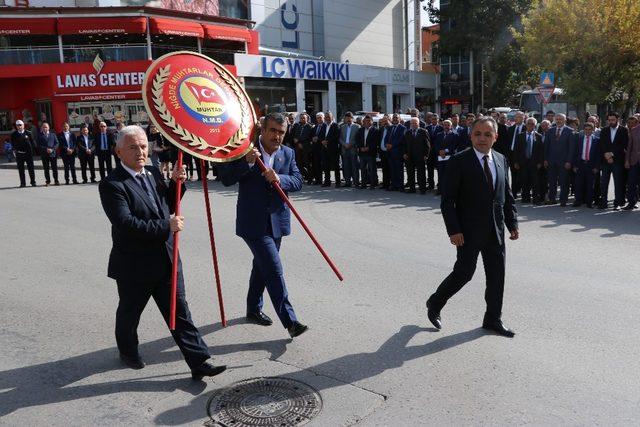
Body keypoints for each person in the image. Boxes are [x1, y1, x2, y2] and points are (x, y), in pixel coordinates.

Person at [98, 125, 226, 379]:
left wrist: (177, 184)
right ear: (118, 151)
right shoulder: (112, 185)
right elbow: (126, 224)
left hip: (166, 258)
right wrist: (165, 225)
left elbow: (166, 204)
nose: (140, 152)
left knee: (180, 312)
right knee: (129, 313)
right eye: (133, 147)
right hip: (135, 265)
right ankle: (128, 351)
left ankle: (199, 361)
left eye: (143, 146)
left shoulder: (153, 172)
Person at [426, 116, 519, 338]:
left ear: (495, 137)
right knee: (464, 273)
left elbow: (505, 195)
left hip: (495, 230)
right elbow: (448, 200)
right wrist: (454, 230)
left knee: (497, 275)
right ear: (471, 135)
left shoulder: (500, 159)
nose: (482, 138)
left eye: (488, 134)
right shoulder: (459, 161)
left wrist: (512, 223)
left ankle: (492, 319)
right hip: (467, 231)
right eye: (478, 134)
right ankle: (435, 302)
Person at [218, 113, 308, 338]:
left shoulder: (287, 153)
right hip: (253, 222)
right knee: (273, 268)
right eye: (273, 131)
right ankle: (291, 321)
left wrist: (280, 178)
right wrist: (247, 163)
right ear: (263, 130)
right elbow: (226, 179)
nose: (277, 136)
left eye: (281, 132)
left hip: (277, 221)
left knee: (261, 266)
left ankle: (253, 308)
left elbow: (297, 181)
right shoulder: (245, 151)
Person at [598, 112, 628, 210]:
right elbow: (602, 144)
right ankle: (603, 202)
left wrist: (611, 154)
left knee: (618, 183)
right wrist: (607, 154)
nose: (611, 122)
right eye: (609, 120)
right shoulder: (604, 130)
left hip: (618, 160)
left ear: (617, 119)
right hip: (605, 160)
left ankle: (617, 203)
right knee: (604, 183)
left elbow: (623, 145)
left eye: (613, 120)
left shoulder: (624, 130)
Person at [513, 117, 544, 204]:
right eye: (529, 124)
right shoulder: (520, 136)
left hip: (534, 163)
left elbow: (541, 151)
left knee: (535, 182)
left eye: (532, 124)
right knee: (524, 181)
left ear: (535, 126)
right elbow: (516, 150)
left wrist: (540, 162)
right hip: (523, 162)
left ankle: (535, 198)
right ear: (526, 125)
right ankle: (525, 197)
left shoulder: (539, 136)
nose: (530, 126)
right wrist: (515, 162)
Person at [544, 113, 574, 206]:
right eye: (557, 119)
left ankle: (563, 200)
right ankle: (552, 198)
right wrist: (545, 159)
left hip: (564, 161)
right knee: (552, 181)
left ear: (565, 120)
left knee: (564, 182)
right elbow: (546, 146)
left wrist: (569, 161)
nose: (558, 121)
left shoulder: (570, 131)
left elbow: (571, 148)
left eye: (560, 119)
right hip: (551, 161)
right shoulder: (550, 131)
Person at [572, 122, 600, 208]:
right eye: (586, 129)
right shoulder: (579, 140)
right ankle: (578, 201)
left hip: (591, 165)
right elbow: (575, 153)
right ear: (583, 130)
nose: (587, 131)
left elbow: (598, 155)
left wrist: (596, 167)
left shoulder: (597, 140)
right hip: (580, 164)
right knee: (578, 184)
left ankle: (589, 202)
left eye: (589, 129)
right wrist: (575, 165)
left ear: (593, 130)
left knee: (590, 185)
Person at [402, 117, 431, 194]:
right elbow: (404, 144)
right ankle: (412, 188)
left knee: (421, 173)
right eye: (412, 123)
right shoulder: (408, 132)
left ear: (418, 124)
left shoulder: (423, 131)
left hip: (420, 156)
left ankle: (422, 189)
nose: (413, 124)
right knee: (410, 173)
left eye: (415, 123)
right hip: (409, 156)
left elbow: (427, 145)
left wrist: (426, 155)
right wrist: (404, 153)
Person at [432, 119, 457, 195]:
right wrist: (439, 151)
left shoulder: (454, 135)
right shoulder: (439, 134)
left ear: (451, 126)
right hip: (440, 157)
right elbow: (436, 145)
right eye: (445, 125)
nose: (446, 126)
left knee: (449, 175)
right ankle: (440, 190)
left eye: (448, 125)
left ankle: (448, 190)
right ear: (443, 126)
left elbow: (454, 146)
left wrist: (445, 151)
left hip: (449, 157)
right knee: (440, 174)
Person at [11, 119, 37, 187]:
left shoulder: (28, 133)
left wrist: (33, 151)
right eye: (17, 125)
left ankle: (33, 182)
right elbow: (13, 143)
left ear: (23, 125)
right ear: (16, 126)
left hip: (28, 154)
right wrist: (14, 150)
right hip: (19, 154)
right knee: (21, 169)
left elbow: (33, 142)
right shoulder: (14, 134)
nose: (19, 126)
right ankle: (23, 183)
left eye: (20, 125)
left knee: (31, 168)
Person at [355, 115, 378, 189]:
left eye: (368, 121)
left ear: (372, 121)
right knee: (363, 169)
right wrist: (360, 147)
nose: (367, 122)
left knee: (372, 169)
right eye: (365, 121)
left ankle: (373, 184)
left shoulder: (375, 130)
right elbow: (357, 140)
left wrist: (369, 148)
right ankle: (363, 184)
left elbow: (375, 142)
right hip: (362, 153)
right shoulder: (360, 130)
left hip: (370, 153)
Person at [506, 111, 525, 197]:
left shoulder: (526, 128)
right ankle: (513, 193)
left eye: (520, 117)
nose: (517, 119)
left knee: (522, 175)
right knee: (513, 174)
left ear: (523, 118)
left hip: (522, 155)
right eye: (516, 117)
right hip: (512, 154)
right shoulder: (511, 128)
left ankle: (522, 191)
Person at [339, 112, 360, 188]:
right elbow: (340, 138)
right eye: (346, 118)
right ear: (345, 119)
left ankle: (356, 182)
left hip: (353, 149)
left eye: (349, 118)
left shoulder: (357, 127)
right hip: (344, 149)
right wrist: (344, 144)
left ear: (352, 118)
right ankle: (348, 182)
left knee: (354, 166)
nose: (348, 119)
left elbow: (358, 138)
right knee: (346, 166)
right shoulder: (342, 127)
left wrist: (351, 144)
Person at [387, 113, 406, 191]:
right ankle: (394, 185)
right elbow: (387, 137)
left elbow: (400, 139)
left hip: (398, 152)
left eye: (396, 118)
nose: (395, 119)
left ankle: (400, 186)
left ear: (399, 119)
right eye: (393, 118)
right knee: (392, 169)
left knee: (399, 170)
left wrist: (392, 145)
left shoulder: (403, 128)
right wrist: (386, 144)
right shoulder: (390, 128)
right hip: (390, 152)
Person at [624, 117, 640, 210]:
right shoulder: (634, 130)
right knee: (631, 182)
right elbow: (629, 147)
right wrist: (627, 160)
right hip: (634, 161)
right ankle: (631, 202)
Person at [321, 112, 340, 187]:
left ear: (332, 117)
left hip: (333, 149)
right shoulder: (324, 126)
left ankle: (338, 182)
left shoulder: (335, 125)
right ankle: (327, 181)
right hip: (324, 149)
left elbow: (337, 136)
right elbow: (321, 135)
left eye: (328, 117)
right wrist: (322, 140)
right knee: (326, 166)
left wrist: (327, 141)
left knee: (336, 166)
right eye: (326, 117)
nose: (327, 118)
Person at [37, 122, 60, 186]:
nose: (45, 128)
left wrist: (52, 149)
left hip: (53, 154)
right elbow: (38, 145)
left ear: (48, 128)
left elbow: (57, 143)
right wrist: (46, 149)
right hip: (44, 154)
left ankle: (56, 181)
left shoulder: (53, 134)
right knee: (46, 169)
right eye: (43, 127)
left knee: (54, 168)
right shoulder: (39, 135)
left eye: (46, 127)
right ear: (42, 128)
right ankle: (48, 181)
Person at [377, 114, 391, 190]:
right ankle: (385, 184)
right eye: (383, 121)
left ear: (389, 120)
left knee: (390, 169)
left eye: (386, 121)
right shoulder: (381, 129)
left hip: (389, 152)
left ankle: (390, 184)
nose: (385, 122)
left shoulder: (391, 128)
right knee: (384, 169)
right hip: (382, 152)